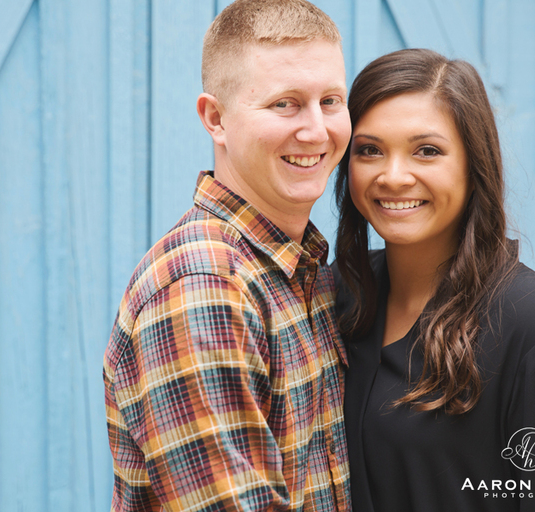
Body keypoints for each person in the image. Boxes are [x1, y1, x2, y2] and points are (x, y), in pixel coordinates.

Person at [332, 48, 535, 511]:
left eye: (427, 151)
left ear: (473, 163)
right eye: (369, 150)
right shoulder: (338, 297)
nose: (393, 176)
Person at [104, 1, 352, 510]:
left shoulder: (301, 270)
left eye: (330, 101)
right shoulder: (204, 285)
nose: (316, 130)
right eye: (284, 104)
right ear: (215, 118)